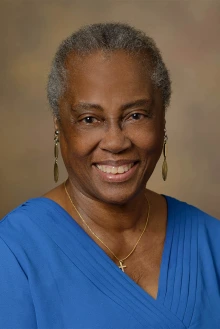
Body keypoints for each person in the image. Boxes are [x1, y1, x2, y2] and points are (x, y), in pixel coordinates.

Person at [0, 23, 219, 329]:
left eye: (136, 115)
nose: (115, 142)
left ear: (163, 122)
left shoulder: (212, 242)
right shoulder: (14, 251)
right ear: (59, 126)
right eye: (89, 119)